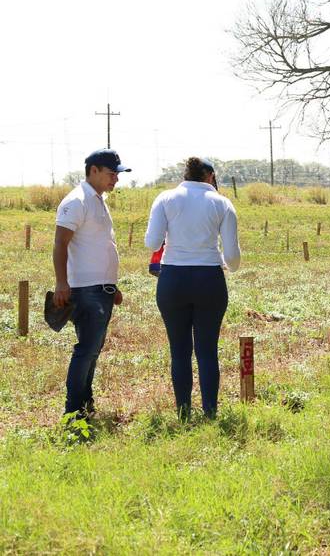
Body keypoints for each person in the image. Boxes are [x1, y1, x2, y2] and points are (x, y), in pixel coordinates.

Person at [145, 158, 241, 420]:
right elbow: (232, 257)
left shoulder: (165, 199)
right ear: (210, 176)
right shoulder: (222, 203)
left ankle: (183, 413)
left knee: (179, 350)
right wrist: (225, 265)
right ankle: (210, 412)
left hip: (173, 278)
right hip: (209, 278)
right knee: (207, 349)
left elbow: (152, 241)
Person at [52, 149, 131, 421]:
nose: (115, 180)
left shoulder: (97, 199)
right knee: (86, 350)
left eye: (117, 175)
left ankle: (85, 405)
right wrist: (62, 283)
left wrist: (112, 284)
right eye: (112, 174)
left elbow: (100, 246)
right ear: (94, 170)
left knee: (93, 349)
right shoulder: (77, 200)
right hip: (85, 289)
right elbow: (60, 242)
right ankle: (74, 411)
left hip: (101, 289)